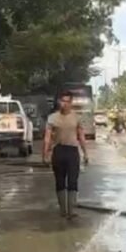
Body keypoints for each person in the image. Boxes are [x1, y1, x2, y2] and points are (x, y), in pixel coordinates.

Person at [44, 90, 90, 219]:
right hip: (58, 151)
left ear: (71, 103)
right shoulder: (52, 118)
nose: (65, 104)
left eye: (67, 101)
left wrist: (86, 153)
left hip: (72, 152)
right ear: (59, 102)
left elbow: (81, 136)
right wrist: (45, 154)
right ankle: (63, 210)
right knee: (59, 181)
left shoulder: (76, 118)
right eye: (62, 101)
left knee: (72, 181)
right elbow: (47, 138)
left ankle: (71, 210)